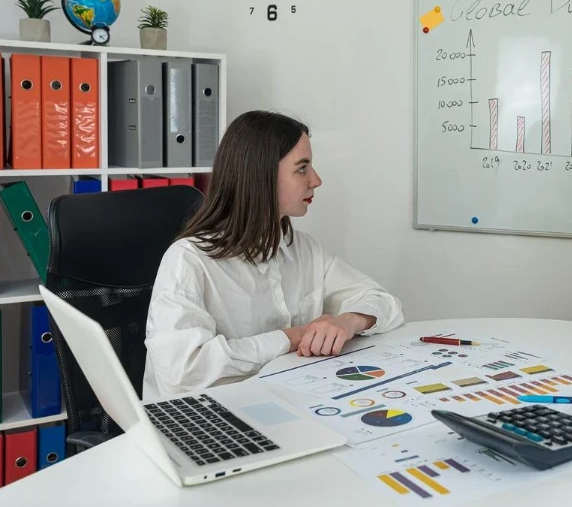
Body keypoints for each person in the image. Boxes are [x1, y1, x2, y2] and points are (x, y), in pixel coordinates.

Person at [142, 110, 404, 401]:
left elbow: (386, 303)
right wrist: (293, 337)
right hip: (203, 415)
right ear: (261, 175)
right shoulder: (188, 260)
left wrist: (349, 321)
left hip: (281, 399)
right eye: (302, 168)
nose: (316, 180)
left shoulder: (301, 249)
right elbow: (182, 371)